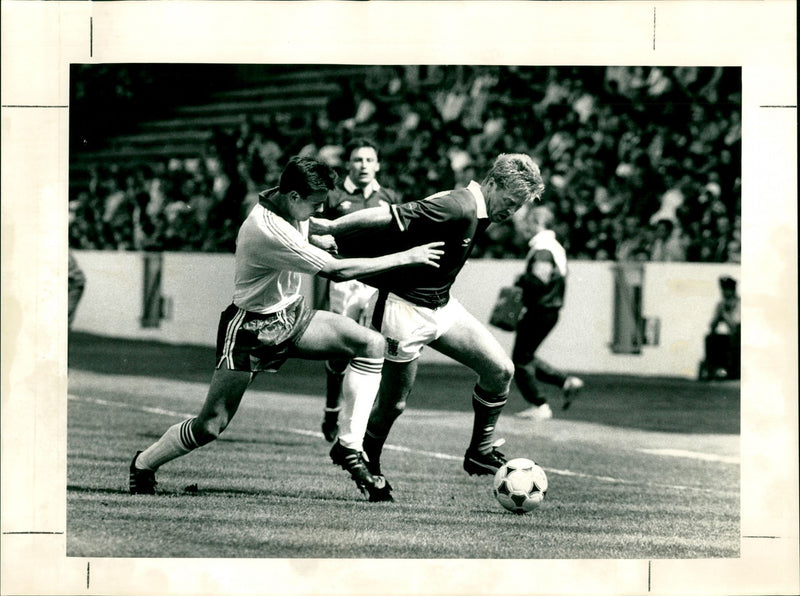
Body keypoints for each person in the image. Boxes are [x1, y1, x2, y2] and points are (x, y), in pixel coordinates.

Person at [129, 157, 443, 498]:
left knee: (370, 343)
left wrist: (315, 237)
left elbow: (308, 228)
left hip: (292, 317)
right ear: (294, 197)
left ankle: (350, 447)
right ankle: (144, 464)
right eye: (315, 204)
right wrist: (404, 257)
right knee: (211, 426)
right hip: (251, 328)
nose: (320, 210)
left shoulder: (284, 201)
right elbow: (337, 271)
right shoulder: (266, 228)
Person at [311, 153, 546, 502]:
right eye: (509, 202)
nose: (509, 212)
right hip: (402, 309)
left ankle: (479, 450)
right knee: (393, 405)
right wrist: (332, 227)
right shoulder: (458, 206)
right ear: (492, 184)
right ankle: (366, 459)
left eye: (517, 207)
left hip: (442, 306)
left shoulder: (477, 211)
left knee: (500, 370)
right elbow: (390, 215)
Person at [317, 138, 403, 443]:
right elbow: (315, 233)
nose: (363, 165)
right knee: (341, 346)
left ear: (377, 164)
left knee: (375, 346)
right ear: (348, 165)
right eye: (357, 160)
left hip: (378, 279)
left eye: (369, 160)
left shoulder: (389, 197)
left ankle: (361, 418)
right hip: (346, 280)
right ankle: (331, 409)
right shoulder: (334, 197)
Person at [511, 204, 583, 421]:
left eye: (529, 222)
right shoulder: (554, 246)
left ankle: (540, 404)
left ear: (537, 223)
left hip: (540, 309)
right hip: (548, 310)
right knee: (525, 357)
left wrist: (521, 280)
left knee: (520, 360)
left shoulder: (543, 247)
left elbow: (540, 279)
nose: (525, 227)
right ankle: (565, 382)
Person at [700, 275, 741, 380]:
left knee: (734, 340)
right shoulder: (720, 304)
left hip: (737, 335)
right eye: (723, 290)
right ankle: (711, 369)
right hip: (725, 335)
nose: (725, 292)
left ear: (733, 290)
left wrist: (725, 314)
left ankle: (731, 370)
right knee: (710, 338)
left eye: (728, 290)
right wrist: (717, 318)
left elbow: (735, 325)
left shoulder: (739, 303)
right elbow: (712, 325)